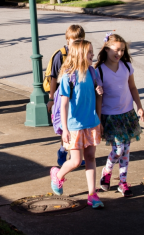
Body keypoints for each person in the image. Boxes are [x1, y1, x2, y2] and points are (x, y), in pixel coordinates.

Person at [50, 40, 104, 209]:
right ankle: (57, 174)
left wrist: (99, 91)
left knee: (90, 158)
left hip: (91, 123)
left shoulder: (92, 72)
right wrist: (65, 128)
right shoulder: (68, 77)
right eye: (89, 52)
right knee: (75, 161)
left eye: (92, 52)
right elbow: (64, 104)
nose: (92, 55)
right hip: (74, 126)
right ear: (80, 55)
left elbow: (96, 95)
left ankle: (92, 194)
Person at [96, 33, 144, 197]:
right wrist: (98, 120)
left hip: (127, 114)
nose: (120, 53)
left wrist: (139, 106)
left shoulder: (127, 66)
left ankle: (122, 182)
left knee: (126, 151)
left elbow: (133, 88)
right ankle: (107, 171)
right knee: (118, 149)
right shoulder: (99, 70)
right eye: (116, 50)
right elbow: (98, 97)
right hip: (110, 116)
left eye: (122, 50)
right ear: (106, 49)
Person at [46, 25, 86, 167]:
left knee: (77, 124)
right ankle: (63, 150)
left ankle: (76, 154)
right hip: (62, 97)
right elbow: (53, 78)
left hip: (78, 98)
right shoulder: (61, 55)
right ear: (67, 40)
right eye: (73, 40)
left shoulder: (84, 54)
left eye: (79, 40)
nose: (76, 43)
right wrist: (51, 99)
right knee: (65, 126)